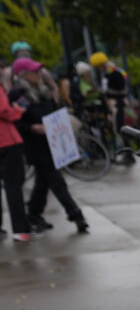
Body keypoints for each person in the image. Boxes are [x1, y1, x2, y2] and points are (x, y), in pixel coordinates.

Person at [9, 59, 88, 234]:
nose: (38, 74)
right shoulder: (18, 95)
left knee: (44, 181)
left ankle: (34, 213)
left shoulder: (44, 91)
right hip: (35, 145)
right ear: (23, 75)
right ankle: (75, 213)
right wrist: (32, 128)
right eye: (34, 72)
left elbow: (53, 113)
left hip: (53, 143)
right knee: (56, 180)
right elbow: (15, 122)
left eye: (39, 71)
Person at [0, 83, 35, 240]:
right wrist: (18, 111)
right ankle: (21, 229)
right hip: (6, 141)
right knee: (13, 186)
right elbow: (3, 110)